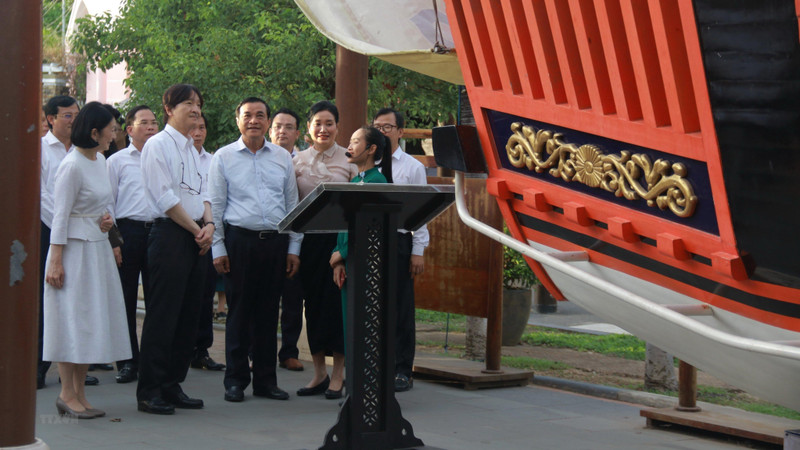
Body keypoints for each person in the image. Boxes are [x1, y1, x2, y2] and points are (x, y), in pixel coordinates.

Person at [43, 101, 132, 419]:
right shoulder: (72, 165)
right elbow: (60, 216)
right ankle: (67, 393)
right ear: (94, 132)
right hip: (74, 253)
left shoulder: (98, 160)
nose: (115, 134)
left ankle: (79, 393)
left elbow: (98, 205)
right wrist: (55, 260)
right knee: (73, 321)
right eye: (111, 129)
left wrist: (105, 222)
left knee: (90, 321)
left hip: (96, 249)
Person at [209, 97, 301, 402]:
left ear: (267, 121)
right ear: (237, 120)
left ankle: (266, 381)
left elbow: (292, 205)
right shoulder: (223, 157)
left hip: (275, 243)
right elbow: (217, 206)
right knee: (238, 313)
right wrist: (218, 247)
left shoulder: (281, 157)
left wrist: (294, 247)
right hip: (239, 243)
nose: (254, 121)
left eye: (260, 115)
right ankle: (235, 381)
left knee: (267, 314)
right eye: (247, 115)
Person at [137, 84, 214, 415]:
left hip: (197, 235)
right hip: (171, 235)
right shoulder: (157, 146)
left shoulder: (193, 150)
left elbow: (205, 194)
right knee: (163, 314)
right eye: (187, 103)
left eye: (198, 104)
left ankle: (172, 384)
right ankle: (150, 390)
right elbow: (165, 198)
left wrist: (209, 225)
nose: (195, 109)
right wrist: (198, 229)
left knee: (189, 315)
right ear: (168, 109)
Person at [293, 101, 357, 400]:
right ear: (309, 127)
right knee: (313, 306)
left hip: (339, 243)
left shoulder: (350, 159)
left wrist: (344, 251)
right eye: (317, 123)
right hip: (307, 242)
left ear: (337, 126)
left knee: (338, 307)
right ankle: (318, 373)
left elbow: (357, 209)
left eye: (329, 123)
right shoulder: (296, 161)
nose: (323, 129)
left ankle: (339, 375)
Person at [39, 95, 100, 388]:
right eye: (66, 115)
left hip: (81, 236)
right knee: (54, 304)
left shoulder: (89, 155)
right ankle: (40, 367)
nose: (73, 119)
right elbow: (44, 197)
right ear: (50, 118)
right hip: (48, 232)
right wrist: (64, 228)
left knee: (81, 308)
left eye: (76, 114)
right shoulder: (39, 149)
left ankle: (77, 373)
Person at [372, 108, 430, 392]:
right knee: (372, 305)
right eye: (377, 127)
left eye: (387, 127)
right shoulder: (367, 163)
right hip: (370, 240)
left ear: (400, 131)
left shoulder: (412, 167)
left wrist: (418, 249)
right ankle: (375, 365)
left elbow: (420, 213)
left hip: (399, 242)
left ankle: (402, 370)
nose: (382, 132)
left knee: (400, 307)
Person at [106, 105, 159, 384]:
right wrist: (114, 242)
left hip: (160, 233)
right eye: (145, 123)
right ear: (129, 130)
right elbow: (107, 205)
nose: (151, 127)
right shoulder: (116, 162)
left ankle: (154, 361)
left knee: (157, 299)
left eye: (154, 122)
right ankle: (127, 362)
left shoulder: (165, 159)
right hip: (128, 233)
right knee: (124, 299)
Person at [330, 126, 393, 336]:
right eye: (350, 140)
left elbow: (368, 229)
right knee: (349, 325)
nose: (349, 146)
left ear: (371, 149)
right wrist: (338, 257)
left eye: (356, 141)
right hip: (349, 261)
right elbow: (344, 225)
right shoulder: (356, 180)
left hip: (364, 264)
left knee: (362, 328)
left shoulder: (377, 182)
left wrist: (343, 253)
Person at [269, 107, 304, 372]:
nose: (282, 131)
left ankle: (289, 351)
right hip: (262, 238)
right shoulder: (260, 157)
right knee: (261, 300)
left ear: (297, 133)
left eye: (288, 127)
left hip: (293, 237)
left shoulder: (304, 161)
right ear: (270, 130)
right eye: (278, 126)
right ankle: (258, 350)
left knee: (292, 299)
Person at [190, 113, 225, 372]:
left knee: (205, 294)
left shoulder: (213, 160)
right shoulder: (176, 157)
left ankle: (201, 351)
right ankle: (179, 350)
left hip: (208, 228)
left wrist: (210, 227)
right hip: (182, 226)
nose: (197, 132)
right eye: (193, 128)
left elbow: (213, 198)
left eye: (202, 127)